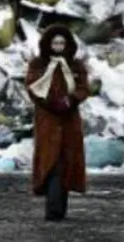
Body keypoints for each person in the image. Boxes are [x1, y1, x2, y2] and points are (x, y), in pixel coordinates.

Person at [25, 25, 89, 221]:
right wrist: (52, 103)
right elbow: (33, 87)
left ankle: (59, 209)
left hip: (69, 121)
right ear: (48, 44)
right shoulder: (39, 64)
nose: (58, 46)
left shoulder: (75, 66)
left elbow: (83, 87)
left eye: (62, 43)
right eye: (55, 43)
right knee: (51, 163)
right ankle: (52, 209)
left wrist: (71, 100)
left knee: (66, 162)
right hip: (48, 121)